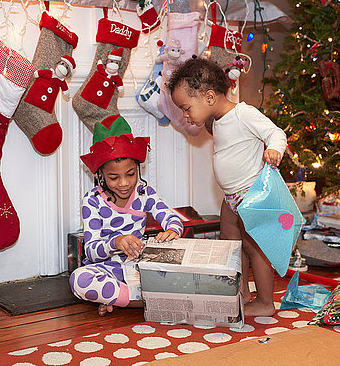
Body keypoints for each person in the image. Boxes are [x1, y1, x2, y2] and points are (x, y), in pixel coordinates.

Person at [167, 57, 287, 317]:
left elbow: (275, 133)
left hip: (251, 194)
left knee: (255, 248)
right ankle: (242, 293)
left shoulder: (244, 114)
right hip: (231, 197)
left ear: (209, 97)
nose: (185, 115)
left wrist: (274, 149)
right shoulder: (216, 121)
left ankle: (265, 302)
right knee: (231, 245)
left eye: (186, 108)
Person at [70, 114, 184, 316]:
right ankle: (141, 302)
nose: (123, 183)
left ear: (138, 169)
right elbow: (92, 251)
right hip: (108, 269)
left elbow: (171, 217)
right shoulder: (92, 200)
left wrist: (173, 230)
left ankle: (120, 299)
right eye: (114, 177)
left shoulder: (144, 193)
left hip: (138, 267)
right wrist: (115, 242)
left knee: (181, 270)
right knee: (79, 280)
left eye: (130, 174)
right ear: (101, 175)